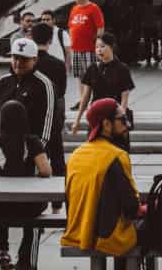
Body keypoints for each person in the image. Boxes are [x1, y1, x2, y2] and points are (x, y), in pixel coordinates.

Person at [0, 100, 52, 270]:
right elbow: (45, 170)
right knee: (34, 222)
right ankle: (26, 261)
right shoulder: (32, 142)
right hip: (26, 207)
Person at [61, 98, 143, 257]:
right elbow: (132, 208)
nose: (128, 126)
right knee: (152, 227)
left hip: (76, 235)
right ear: (106, 124)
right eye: (123, 120)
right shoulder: (116, 156)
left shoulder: (75, 156)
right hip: (108, 239)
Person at [0, 38, 55, 150]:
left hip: (31, 153)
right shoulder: (2, 83)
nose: (18, 63)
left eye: (24, 59)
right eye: (15, 58)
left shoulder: (44, 85)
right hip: (3, 151)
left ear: (35, 60)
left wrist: (34, 153)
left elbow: (47, 125)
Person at [72, 33, 135, 134]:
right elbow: (85, 97)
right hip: (96, 116)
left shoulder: (122, 69)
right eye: (96, 47)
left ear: (112, 47)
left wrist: (121, 119)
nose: (99, 50)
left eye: (102, 46)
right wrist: (77, 120)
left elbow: (124, 98)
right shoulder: (92, 69)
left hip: (114, 115)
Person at [31, 22, 68, 177]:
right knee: (57, 157)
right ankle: (59, 196)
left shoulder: (27, 63)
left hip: (31, 116)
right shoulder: (58, 65)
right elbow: (62, 92)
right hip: (52, 116)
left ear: (32, 39)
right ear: (50, 40)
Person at [67, 0, 104, 110]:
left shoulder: (93, 8)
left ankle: (95, 99)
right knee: (80, 76)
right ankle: (83, 100)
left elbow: (100, 28)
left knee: (92, 75)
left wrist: (97, 44)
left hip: (89, 48)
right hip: (76, 48)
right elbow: (71, 26)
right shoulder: (74, 9)